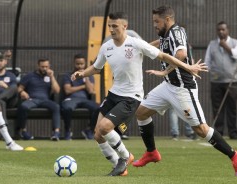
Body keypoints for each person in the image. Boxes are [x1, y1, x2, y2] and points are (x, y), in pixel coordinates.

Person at [71, 11, 206, 176]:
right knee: (98, 135)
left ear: (124, 26)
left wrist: (188, 67)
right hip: (114, 94)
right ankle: (119, 168)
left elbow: (164, 55)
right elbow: (97, 68)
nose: (111, 30)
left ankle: (126, 156)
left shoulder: (136, 43)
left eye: (115, 26)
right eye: (109, 26)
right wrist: (82, 73)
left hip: (131, 96)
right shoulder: (107, 47)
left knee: (105, 127)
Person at [133, 5, 237, 177]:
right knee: (141, 113)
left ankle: (235, 155)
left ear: (168, 20)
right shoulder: (166, 33)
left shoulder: (177, 32)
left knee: (201, 129)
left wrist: (164, 71)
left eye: (157, 21)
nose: (154, 25)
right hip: (167, 86)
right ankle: (151, 153)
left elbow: (181, 54)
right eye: (153, 21)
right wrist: (143, 47)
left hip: (182, 89)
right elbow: (160, 43)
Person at [204, 21, 237, 139]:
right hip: (216, 81)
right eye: (219, 30)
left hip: (231, 81)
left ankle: (233, 132)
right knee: (217, 108)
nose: (221, 32)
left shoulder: (236, 43)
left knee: (232, 108)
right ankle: (218, 132)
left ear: (228, 30)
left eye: (223, 29)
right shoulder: (212, 44)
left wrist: (226, 46)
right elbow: (207, 61)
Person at [16, 58, 61, 141]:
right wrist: (22, 92)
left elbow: (57, 90)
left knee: (56, 107)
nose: (44, 68)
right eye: (42, 66)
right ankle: (23, 131)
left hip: (45, 100)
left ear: (49, 66)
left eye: (46, 66)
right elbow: (19, 88)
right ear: (38, 66)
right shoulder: (29, 76)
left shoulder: (50, 76)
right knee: (23, 107)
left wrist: (52, 77)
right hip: (32, 99)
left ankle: (56, 133)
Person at [61, 53, 99, 140]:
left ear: (85, 64)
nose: (80, 66)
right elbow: (67, 90)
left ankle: (89, 130)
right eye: (77, 64)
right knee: (67, 108)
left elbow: (90, 90)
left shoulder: (89, 76)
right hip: (71, 99)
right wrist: (82, 87)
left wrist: (86, 77)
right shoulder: (67, 75)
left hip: (85, 100)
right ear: (74, 64)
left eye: (81, 64)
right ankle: (67, 131)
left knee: (98, 107)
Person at [0, 52, 23, 151]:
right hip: (0, 100)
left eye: (0, 60)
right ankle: (10, 142)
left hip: (9, 100)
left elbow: (13, 88)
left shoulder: (10, 75)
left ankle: (9, 142)